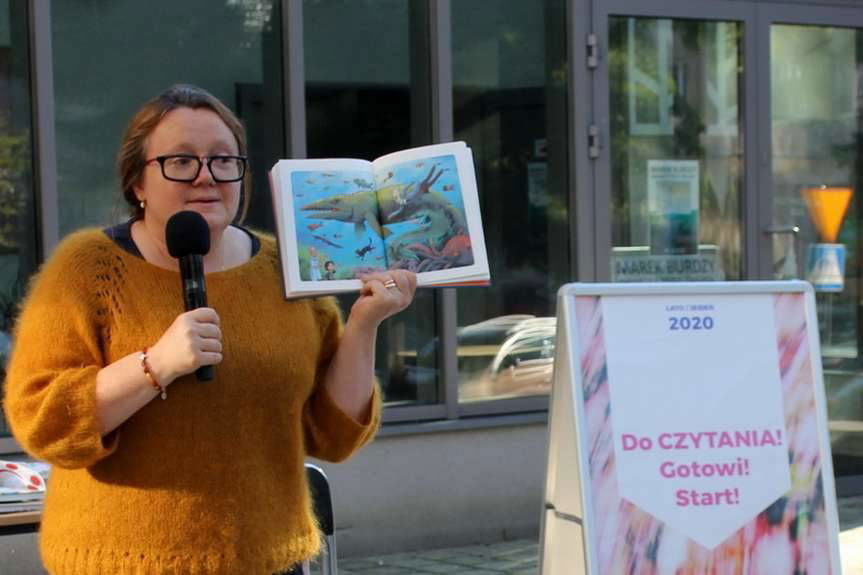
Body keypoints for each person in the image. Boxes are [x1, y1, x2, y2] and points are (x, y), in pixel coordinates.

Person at [2, 84, 416, 575]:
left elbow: (332, 433)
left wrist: (365, 324)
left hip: (269, 558)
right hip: (123, 562)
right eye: (181, 161)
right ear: (138, 182)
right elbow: (43, 423)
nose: (206, 177)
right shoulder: (86, 269)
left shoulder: (285, 267)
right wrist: (154, 366)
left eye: (223, 160)